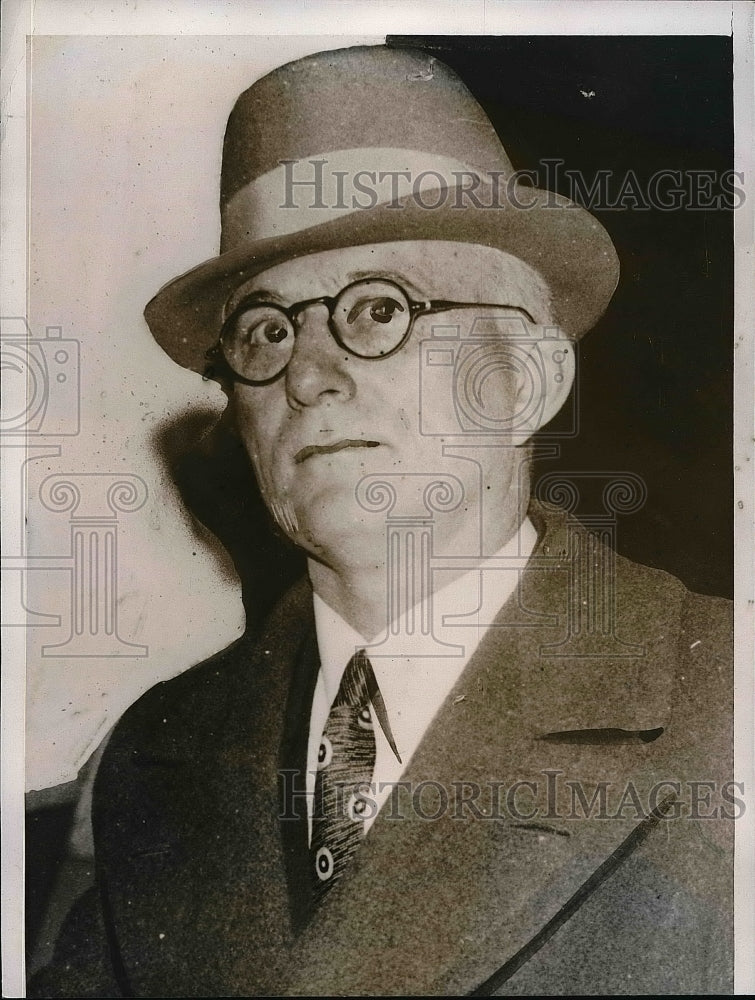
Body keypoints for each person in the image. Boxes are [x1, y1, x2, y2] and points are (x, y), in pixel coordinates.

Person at [31, 43, 733, 997]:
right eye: (267, 330)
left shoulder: (723, 705)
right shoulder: (151, 757)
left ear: (525, 381)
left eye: (377, 311)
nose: (310, 374)